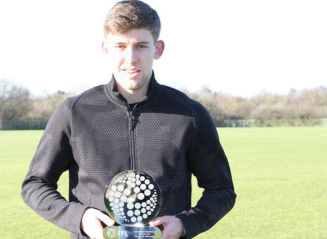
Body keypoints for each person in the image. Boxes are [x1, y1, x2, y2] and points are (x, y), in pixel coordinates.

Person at [21, 1, 236, 239]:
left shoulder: (189, 115)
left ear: (158, 48)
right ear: (106, 49)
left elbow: (221, 189)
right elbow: (35, 185)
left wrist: (186, 223)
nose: (130, 58)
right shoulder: (74, 112)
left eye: (141, 46)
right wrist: (79, 218)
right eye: (120, 46)